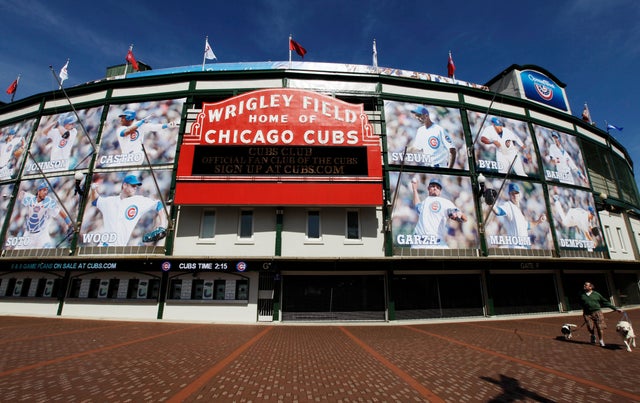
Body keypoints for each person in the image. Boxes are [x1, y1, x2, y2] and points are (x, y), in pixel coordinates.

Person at [88, 174, 167, 247]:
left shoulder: (139, 201)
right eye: (133, 185)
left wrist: (162, 225)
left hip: (119, 248)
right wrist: (93, 190)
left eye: (136, 186)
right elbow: (95, 201)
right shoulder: (110, 201)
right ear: (125, 185)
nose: (135, 188)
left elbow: (159, 204)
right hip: (102, 246)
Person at [14, 181, 73, 249]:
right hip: (28, 234)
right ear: (39, 191)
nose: (46, 192)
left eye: (46, 190)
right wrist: (21, 193)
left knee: (48, 253)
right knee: (16, 253)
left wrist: (69, 223)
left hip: (41, 235)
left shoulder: (48, 202)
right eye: (44, 190)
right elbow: (20, 195)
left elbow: (60, 211)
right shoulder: (30, 198)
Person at [410, 177, 467, 248]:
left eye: (438, 187)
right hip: (419, 242)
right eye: (433, 186)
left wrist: (459, 215)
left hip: (436, 242)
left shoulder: (444, 202)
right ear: (428, 188)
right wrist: (414, 189)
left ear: (440, 191)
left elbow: (464, 218)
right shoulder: (424, 203)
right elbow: (417, 205)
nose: (435, 188)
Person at [491, 183, 546, 248]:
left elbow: (527, 226)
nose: (515, 195)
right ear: (509, 195)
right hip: (516, 248)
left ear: (519, 194)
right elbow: (498, 211)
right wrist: (491, 203)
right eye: (512, 193)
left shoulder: (520, 211)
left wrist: (539, 221)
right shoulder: (508, 206)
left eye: (516, 193)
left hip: (525, 248)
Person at [579, 281, 622, 347]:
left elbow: (605, 302)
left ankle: (601, 340)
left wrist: (615, 308)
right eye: (584, 285)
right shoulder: (582, 295)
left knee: (600, 327)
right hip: (587, 314)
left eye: (586, 285)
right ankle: (593, 335)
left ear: (591, 287)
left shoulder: (596, 294)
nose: (584, 286)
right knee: (590, 327)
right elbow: (581, 303)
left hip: (597, 313)